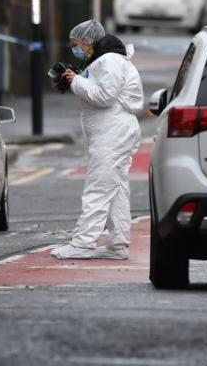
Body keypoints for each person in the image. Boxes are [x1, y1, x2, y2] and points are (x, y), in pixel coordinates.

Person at [52, 19, 144, 260]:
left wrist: (77, 81)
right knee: (115, 190)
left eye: (76, 44)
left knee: (98, 188)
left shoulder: (110, 61)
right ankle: (118, 245)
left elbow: (104, 96)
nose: (75, 48)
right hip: (113, 131)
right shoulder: (104, 61)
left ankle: (82, 244)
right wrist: (77, 79)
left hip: (113, 132)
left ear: (88, 41)